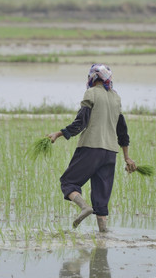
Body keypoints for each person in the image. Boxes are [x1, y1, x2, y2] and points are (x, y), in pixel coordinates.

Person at [48, 64, 136, 233]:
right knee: (101, 196)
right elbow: (122, 132)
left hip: (90, 148)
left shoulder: (91, 94)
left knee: (68, 182)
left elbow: (80, 123)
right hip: (110, 153)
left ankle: (84, 207)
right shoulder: (116, 98)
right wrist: (127, 157)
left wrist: (58, 134)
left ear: (92, 78)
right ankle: (103, 235)